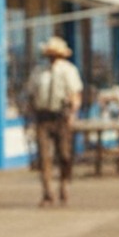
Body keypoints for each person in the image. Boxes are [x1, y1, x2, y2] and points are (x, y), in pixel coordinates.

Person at [25, 35, 84, 207]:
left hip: (62, 116)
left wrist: (73, 112)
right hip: (43, 116)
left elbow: (75, 93)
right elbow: (31, 93)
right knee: (44, 157)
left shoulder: (68, 70)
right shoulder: (39, 71)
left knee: (65, 154)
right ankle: (47, 192)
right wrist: (29, 114)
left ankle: (64, 184)